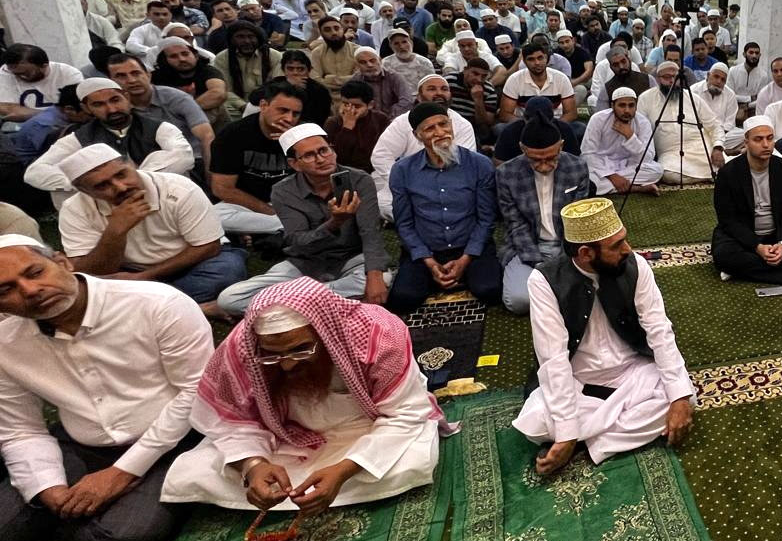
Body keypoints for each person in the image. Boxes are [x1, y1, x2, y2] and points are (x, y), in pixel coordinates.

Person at [163, 280, 448, 513]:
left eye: (300, 349)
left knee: (413, 461)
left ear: (326, 333)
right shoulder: (246, 346)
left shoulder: (377, 333)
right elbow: (232, 420)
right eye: (273, 356)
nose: (286, 364)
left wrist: (344, 470)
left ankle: (339, 483)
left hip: (367, 427)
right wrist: (254, 466)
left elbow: (405, 413)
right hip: (285, 435)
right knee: (196, 472)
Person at [0, 234, 212, 541]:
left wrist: (121, 472)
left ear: (62, 261)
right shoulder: (5, 343)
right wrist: (46, 487)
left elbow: (196, 392)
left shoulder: (158, 303)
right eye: (6, 290)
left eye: (35, 272)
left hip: (176, 439)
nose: (31, 291)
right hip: (81, 442)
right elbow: (20, 430)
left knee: (115, 536)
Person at [512, 197, 694, 474]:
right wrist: (565, 429)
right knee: (536, 423)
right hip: (579, 379)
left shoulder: (636, 267)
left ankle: (593, 443)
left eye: (624, 239)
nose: (628, 249)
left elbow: (660, 331)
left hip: (633, 372)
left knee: (685, 399)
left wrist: (679, 399)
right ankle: (598, 433)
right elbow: (553, 360)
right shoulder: (544, 281)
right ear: (586, 254)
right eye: (617, 245)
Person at [215, 125, 390, 316]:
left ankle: (293, 304)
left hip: (352, 259)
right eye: (309, 155)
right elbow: (298, 243)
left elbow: (371, 233)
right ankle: (322, 302)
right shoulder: (284, 191)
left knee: (383, 279)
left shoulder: (359, 180)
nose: (321, 159)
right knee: (230, 299)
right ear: (294, 164)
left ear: (333, 150)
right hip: (306, 263)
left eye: (324, 150)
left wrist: (374, 276)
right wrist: (334, 223)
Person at [56, 143, 245, 318]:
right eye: (103, 185)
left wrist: (143, 277)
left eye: (121, 175)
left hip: (193, 262)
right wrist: (115, 232)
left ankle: (135, 307)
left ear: (132, 164)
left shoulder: (178, 188)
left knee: (227, 270)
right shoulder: (74, 209)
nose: (120, 187)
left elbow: (208, 247)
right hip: (127, 271)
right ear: (85, 191)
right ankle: (196, 307)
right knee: (83, 288)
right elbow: (87, 271)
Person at [389, 102, 500, 311]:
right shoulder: (402, 170)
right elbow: (404, 224)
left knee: (490, 290)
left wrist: (465, 259)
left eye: (443, 124)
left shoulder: (479, 164)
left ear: (451, 126)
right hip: (427, 250)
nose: (440, 132)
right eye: (430, 128)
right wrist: (429, 261)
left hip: (470, 247)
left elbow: (486, 219)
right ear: (417, 135)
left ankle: (457, 274)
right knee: (403, 298)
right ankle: (438, 274)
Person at [26, 78, 195, 201]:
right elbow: (34, 172)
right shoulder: (79, 137)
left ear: (127, 98)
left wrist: (134, 179)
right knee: (62, 185)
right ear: (87, 108)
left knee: (164, 160)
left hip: (155, 194)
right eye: (99, 105)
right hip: (108, 200)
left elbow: (183, 156)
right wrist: (87, 182)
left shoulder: (159, 128)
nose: (111, 109)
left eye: (115, 100)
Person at [495, 108, 592, 315]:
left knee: (595, 290)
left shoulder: (577, 167)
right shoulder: (507, 174)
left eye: (551, 158)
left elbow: (578, 221)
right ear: (522, 149)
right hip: (527, 248)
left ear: (561, 146)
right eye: (536, 160)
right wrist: (539, 264)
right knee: (520, 301)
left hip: (568, 245)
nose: (545, 166)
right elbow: (515, 225)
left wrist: (567, 260)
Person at [712, 116, 782, 284]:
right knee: (723, 255)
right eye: (758, 139)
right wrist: (757, 247)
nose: (766, 144)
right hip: (744, 237)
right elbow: (728, 220)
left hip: (777, 234)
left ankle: (743, 270)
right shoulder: (728, 173)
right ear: (746, 142)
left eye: (770, 138)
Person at [371, 74, 477, 220]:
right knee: (383, 203)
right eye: (432, 89)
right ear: (419, 96)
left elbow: (465, 162)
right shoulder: (403, 122)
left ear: (450, 95)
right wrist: (403, 182)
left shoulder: (462, 124)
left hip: (451, 184)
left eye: (444, 89)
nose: (439, 93)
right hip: (409, 182)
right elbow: (381, 155)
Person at [209, 80, 303, 236]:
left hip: (289, 201)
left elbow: (319, 178)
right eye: (282, 110)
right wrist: (270, 212)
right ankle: (290, 228)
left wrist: (295, 143)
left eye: (295, 114)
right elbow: (222, 189)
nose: (289, 118)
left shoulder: (303, 135)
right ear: (264, 105)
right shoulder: (232, 135)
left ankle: (270, 231)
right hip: (246, 204)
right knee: (214, 216)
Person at [637, 62, 726, 184]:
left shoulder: (692, 98)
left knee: (727, 164)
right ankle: (713, 175)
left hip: (700, 148)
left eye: (675, 77)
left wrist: (718, 148)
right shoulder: (646, 99)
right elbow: (640, 129)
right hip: (670, 153)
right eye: (667, 77)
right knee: (668, 175)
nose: (672, 81)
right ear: (658, 79)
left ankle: (712, 174)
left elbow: (714, 125)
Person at [582, 88, 663, 195]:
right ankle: (637, 188)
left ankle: (616, 186)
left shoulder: (643, 122)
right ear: (612, 106)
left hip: (629, 166)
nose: (627, 110)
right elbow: (588, 154)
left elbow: (648, 157)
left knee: (657, 171)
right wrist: (612, 176)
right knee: (588, 181)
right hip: (601, 167)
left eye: (631, 105)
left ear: (636, 106)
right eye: (622, 105)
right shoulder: (598, 119)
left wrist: (630, 136)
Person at [151, 37, 228, 129]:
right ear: (164, 60)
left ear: (195, 55)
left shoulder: (207, 71)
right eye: (173, 56)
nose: (182, 59)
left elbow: (218, 94)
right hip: (169, 121)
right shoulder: (156, 77)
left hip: (205, 120)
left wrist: (186, 108)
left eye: (185, 54)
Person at [214, 22, 283, 121]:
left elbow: (277, 85)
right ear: (231, 39)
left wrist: (261, 107)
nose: (246, 41)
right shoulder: (222, 58)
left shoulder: (273, 56)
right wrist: (244, 107)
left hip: (267, 103)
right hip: (235, 106)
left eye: (251, 37)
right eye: (240, 37)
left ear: (258, 38)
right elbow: (225, 90)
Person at [0, 44, 85, 121]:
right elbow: (6, 108)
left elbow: (74, 111)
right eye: (16, 74)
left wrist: (36, 114)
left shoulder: (68, 74)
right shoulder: (5, 72)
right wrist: (53, 114)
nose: (21, 77)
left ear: (44, 66)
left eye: (26, 73)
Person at [322, 80, 390, 173]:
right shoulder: (332, 123)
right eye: (345, 104)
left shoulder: (381, 120)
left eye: (357, 106)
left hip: (374, 171)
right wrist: (347, 127)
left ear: (370, 105)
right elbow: (336, 157)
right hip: (342, 172)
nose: (349, 110)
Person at [349, 46, 413, 119]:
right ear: (357, 66)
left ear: (380, 60)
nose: (369, 65)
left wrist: (386, 118)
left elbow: (407, 101)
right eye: (363, 62)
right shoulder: (354, 81)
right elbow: (351, 104)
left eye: (373, 60)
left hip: (392, 120)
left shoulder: (394, 77)